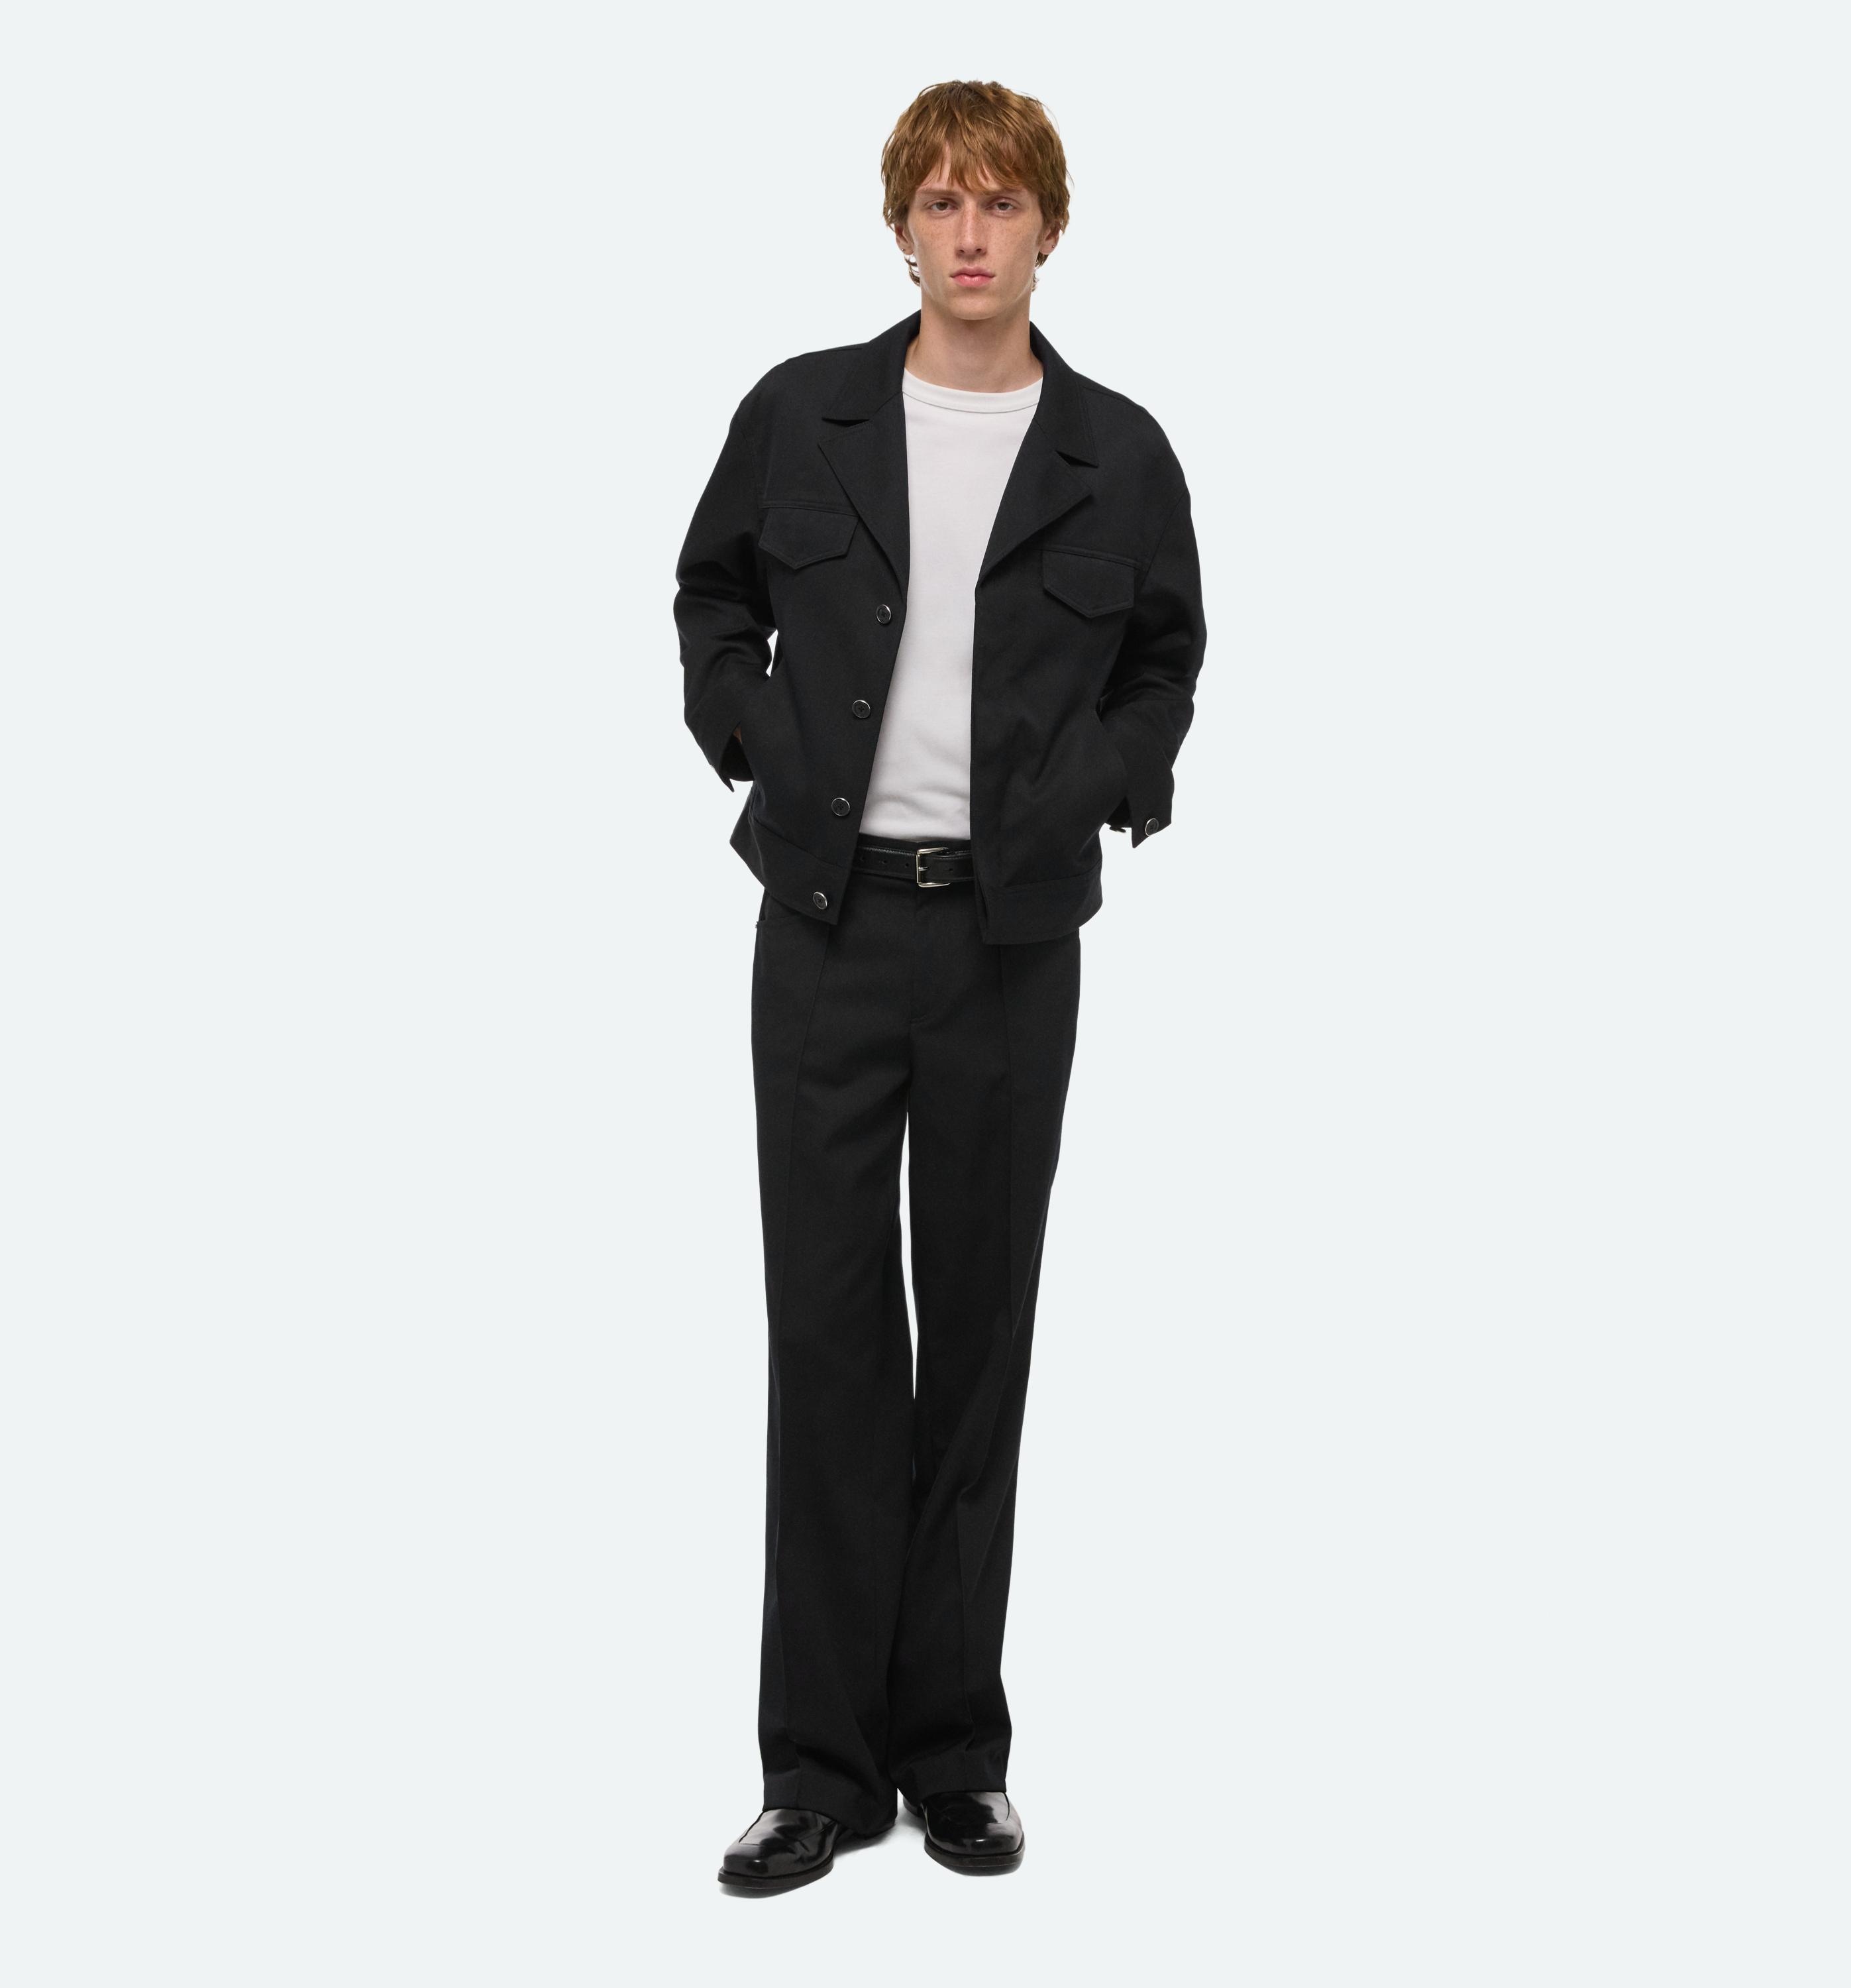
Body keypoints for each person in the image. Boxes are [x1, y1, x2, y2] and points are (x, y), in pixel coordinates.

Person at [674, 78, 1206, 1894]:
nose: (971, 234)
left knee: (978, 1336)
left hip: (1008, 946)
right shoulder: (802, 414)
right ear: (900, 225)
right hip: (827, 936)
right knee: (830, 1338)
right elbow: (713, 598)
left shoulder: (1118, 454)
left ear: (1050, 228)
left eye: (1002, 203)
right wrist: (754, 736)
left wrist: (1099, 785)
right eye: (941, 202)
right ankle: (817, 1771)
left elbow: (1165, 661)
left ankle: (955, 1757)